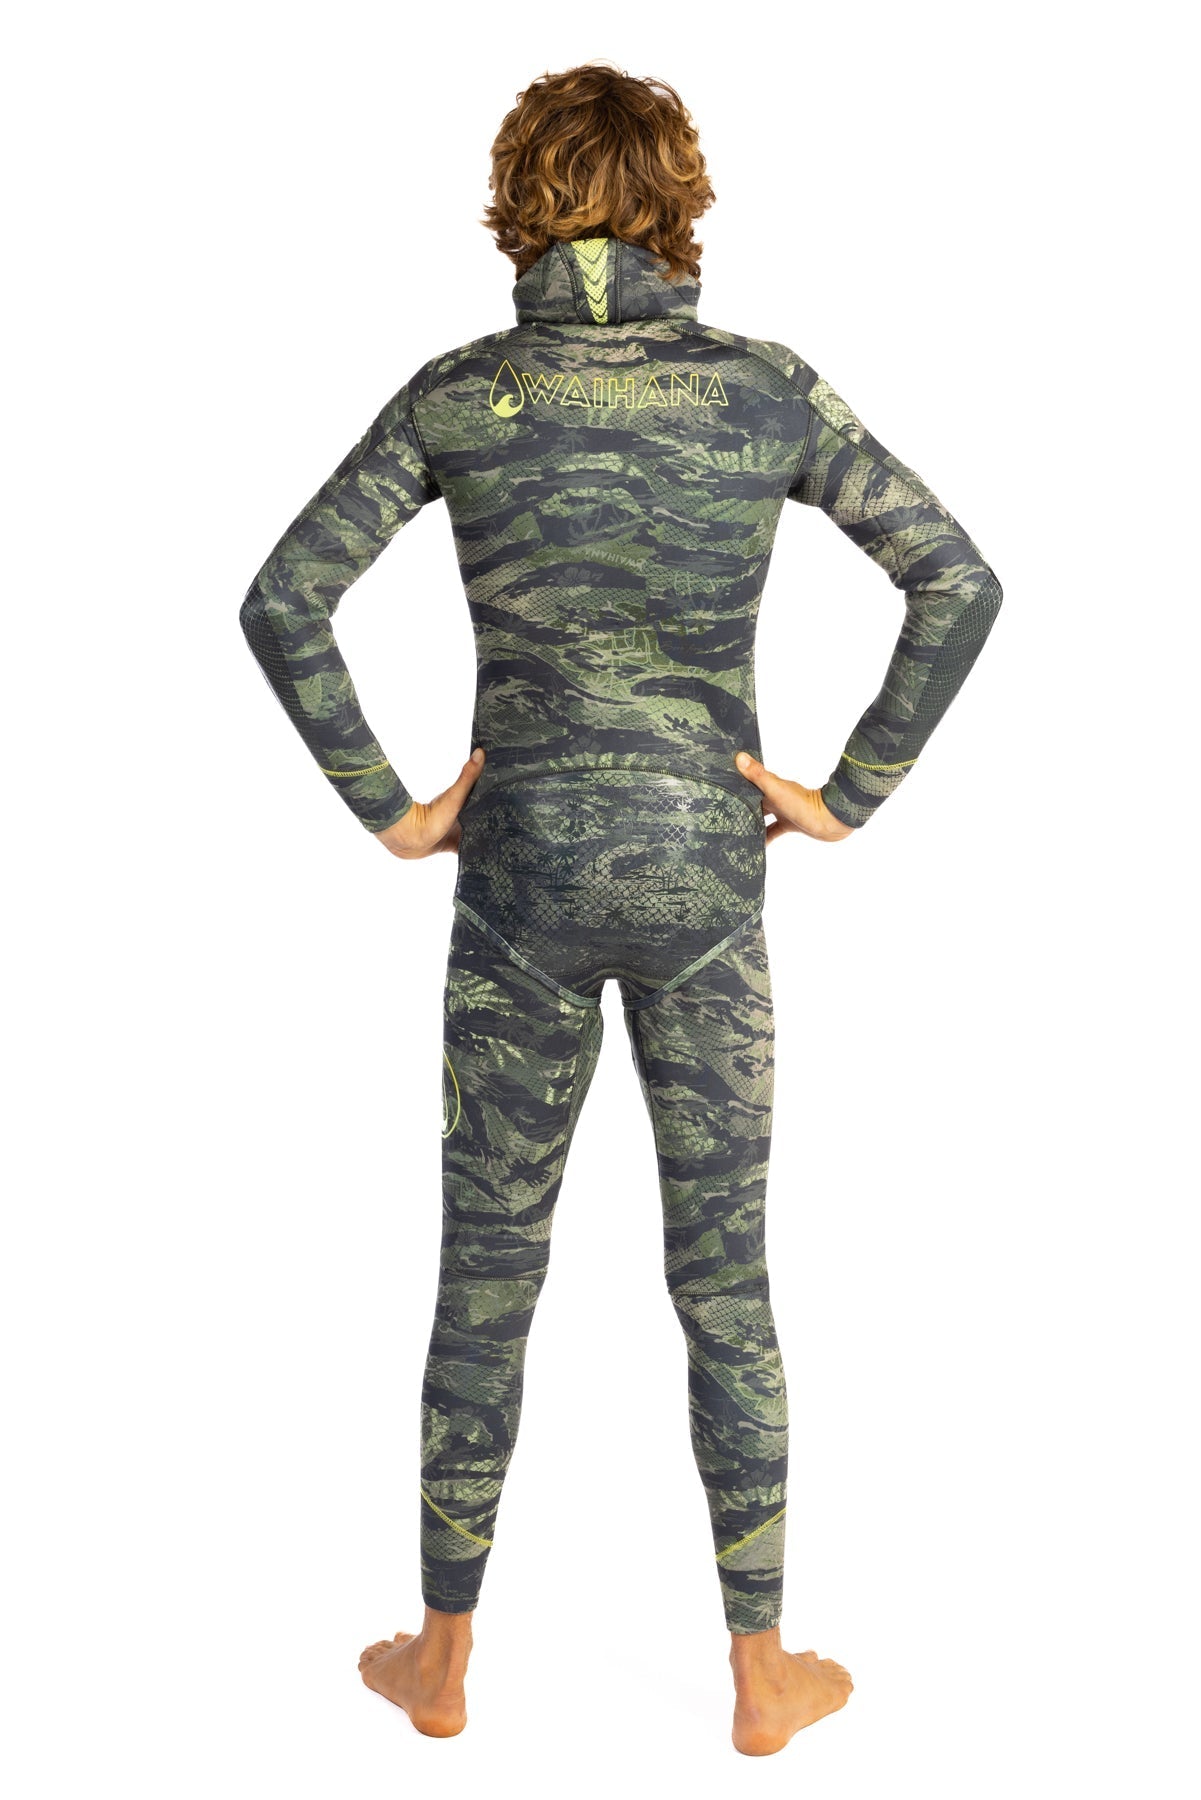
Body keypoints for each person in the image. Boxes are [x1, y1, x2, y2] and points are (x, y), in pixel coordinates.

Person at [239, 63, 1002, 1756]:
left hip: (516, 879)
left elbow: (285, 597)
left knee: (484, 1274)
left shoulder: (462, 392)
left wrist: (394, 811)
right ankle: (760, 1678)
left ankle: (441, 1662)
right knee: (724, 1282)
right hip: (707, 882)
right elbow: (954, 576)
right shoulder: (760, 390)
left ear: (519, 203)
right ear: (677, 204)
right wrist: (845, 792)